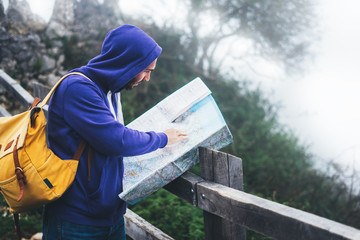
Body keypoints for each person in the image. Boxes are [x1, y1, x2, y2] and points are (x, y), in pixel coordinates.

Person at [42, 24, 188, 239]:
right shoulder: (78, 88)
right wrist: (163, 138)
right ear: (127, 63)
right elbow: (116, 140)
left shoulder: (109, 89)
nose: (147, 78)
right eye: (145, 70)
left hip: (109, 215)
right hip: (76, 219)